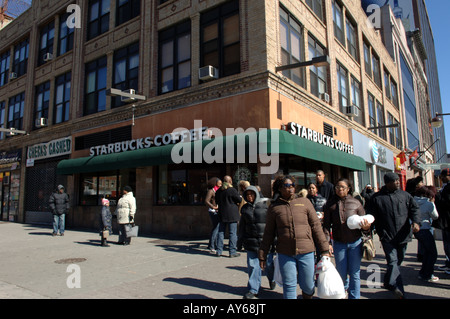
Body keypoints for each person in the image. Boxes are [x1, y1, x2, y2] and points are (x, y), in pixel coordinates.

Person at [259, 175, 330, 299]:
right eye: (287, 186)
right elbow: (268, 233)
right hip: (285, 252)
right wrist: (262, 255)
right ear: (280, 188)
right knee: (289, 285)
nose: (290, 188)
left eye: (292, 185)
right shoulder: (274, 207)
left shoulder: (305, 202)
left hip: (306, 250)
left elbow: (316, 226)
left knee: (308, 286)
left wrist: (324, 249)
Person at [366, 172, 421, 299]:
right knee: (392, 261)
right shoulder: (377, 198)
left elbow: (415, 209)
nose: (397, 182)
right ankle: (398, 289)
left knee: (398, 261)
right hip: (387, 236)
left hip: (403, 235)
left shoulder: (405, 195)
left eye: (398, 180)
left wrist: (416, 222)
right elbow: (371, 215)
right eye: (394, 181)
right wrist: (368, 229)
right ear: (387, 183)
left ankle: (387, 281)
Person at [323, 178, 372, 299]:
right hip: (339, 243)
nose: (340, 189)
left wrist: (366, 227)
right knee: (341, 273)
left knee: (355, 273)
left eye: (342, 187)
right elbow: (326, 226)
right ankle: (341, 293)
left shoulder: (356, 203)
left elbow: (364, 223)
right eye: (337, 187)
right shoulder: (330, 204)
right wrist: (327, 243)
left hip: (355, 242)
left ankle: (354, 296)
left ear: (348, 189)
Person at [238, 186, 275, 299]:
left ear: (256, 194)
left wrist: (275, 241)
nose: (250, 197)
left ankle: (272, 278)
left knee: (268, 264)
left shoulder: (265, 205)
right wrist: (239, 241)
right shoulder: (245, 208)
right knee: (253, 266)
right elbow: (242, 226)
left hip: (265, 241)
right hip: (251, 241)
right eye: (247, 195)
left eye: (252, 194)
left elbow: (272, 224)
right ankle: (253, 289)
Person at [413, 186, 439, 282]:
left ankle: (423, 272)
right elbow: (435, 216)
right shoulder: (428, 204)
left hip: (416, 229)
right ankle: (428, 274)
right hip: (425, 228)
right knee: (432, 253)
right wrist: (433, 204)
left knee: (426, 252)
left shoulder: (413, 201)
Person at [215, 176, 242, 257]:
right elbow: (239, 200)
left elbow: (216, 201)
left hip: (222, 213)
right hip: (232, 214)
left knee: (221, 232)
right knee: (232, 233)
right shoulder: (232, 190)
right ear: (230, 181)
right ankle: (232, 251)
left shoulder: (219, 191)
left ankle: (219, 251)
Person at [434, 168, 450, 274]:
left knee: (449, 243)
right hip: (445, 221)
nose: (442, 178)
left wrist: (438, 197)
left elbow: (447, 203)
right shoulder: (445, 187)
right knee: (447, 244)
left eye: (444, 176)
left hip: (448, 221)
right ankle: (448, 263)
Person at [205, 177, 222, 254]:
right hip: (213, 211)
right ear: (215, 183)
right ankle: (212, 246)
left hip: (217, 211)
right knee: (216, 228)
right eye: (219, 183)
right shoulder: (211, 191)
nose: (221, 184)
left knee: (216, 228)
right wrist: (213, 207)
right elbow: (206, 201)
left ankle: (211, 244)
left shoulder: (218, 190)